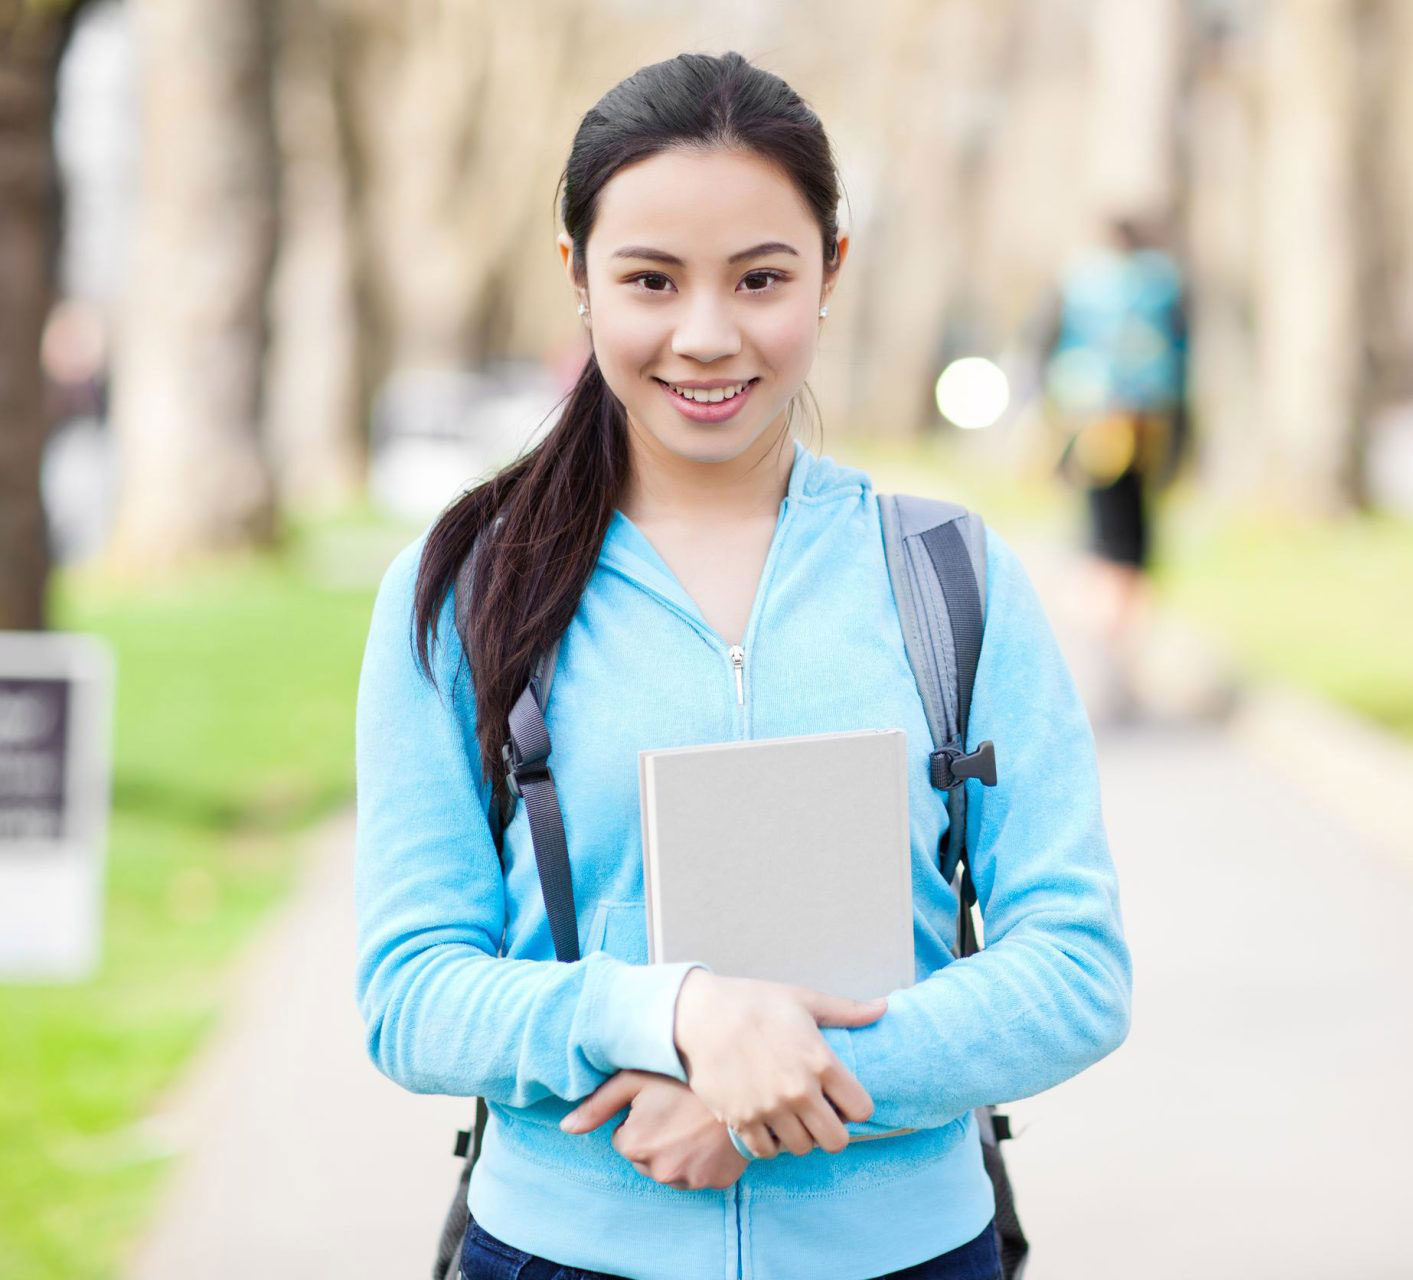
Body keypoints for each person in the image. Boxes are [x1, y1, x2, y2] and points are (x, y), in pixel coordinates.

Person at [355, 51, 1131, 1280]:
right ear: (579, 280)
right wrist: (675, 1016)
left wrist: (771, 1089)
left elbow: (1076, 967)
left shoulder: (951, 577)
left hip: (909, 1255)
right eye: (651, 280)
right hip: (562, 1253)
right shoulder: (465, 588)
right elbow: (409, 991)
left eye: (760, 278)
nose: (706, 337)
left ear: (831, 269)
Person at [1039, 215, 1191, 706]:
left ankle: (1105, 646)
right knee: (1135, 539)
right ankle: (1120, 645)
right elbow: (1181, 356)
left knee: (1099, 533)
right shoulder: (1162, 286)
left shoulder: (1079, 283)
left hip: (1091, 425)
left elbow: (1049, 350)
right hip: (1148, 425)